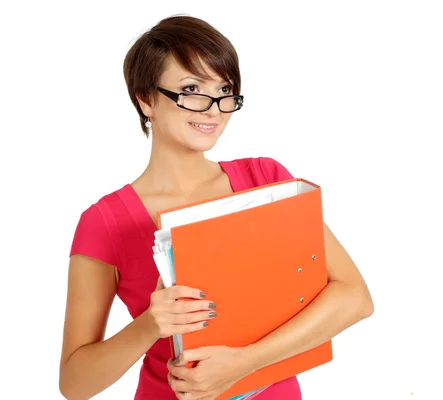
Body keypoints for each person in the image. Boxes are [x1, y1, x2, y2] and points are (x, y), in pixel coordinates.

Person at [59, 14, 374, 400]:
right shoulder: (106, 222)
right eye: (191, 88)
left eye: (224, 89)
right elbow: (74, 384)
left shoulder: (267, 181)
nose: (213, 109)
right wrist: (150, 325)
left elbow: (355, 298)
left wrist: (245, 363)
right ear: (146, 99)